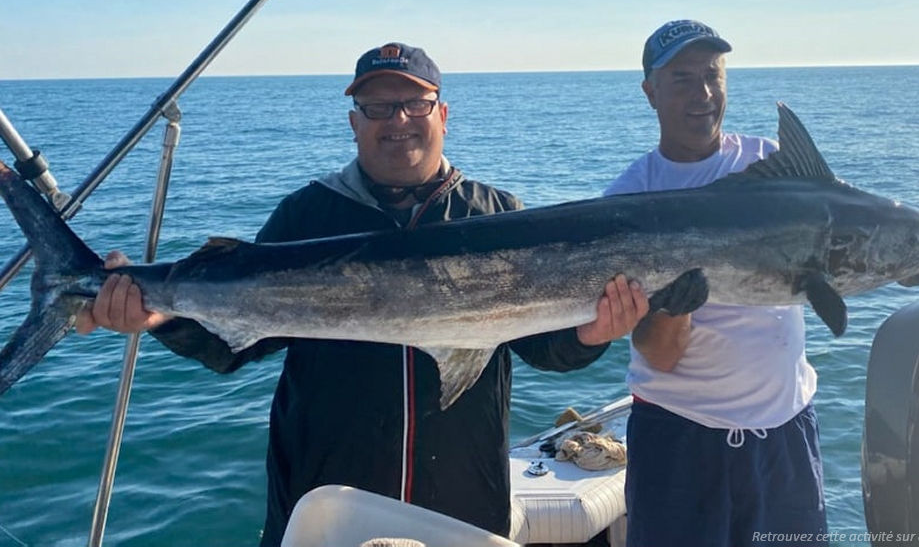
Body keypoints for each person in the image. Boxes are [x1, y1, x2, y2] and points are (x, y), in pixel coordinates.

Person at [77, 42, 650, 546]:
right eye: (378, 107)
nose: (398, 119)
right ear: (355, 122)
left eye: (415, 103)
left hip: (464, 495)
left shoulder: (496, 213)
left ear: (443, 114)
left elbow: (544, 348)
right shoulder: (307, 215)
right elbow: (234, 345)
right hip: (327, 495)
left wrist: (591, 334)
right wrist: (159, 318)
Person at [607, 21, 827, 547]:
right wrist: (676, 308)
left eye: (712, 75)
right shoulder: (629, 199)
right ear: (650, 92)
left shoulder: (772, 167)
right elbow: (659, 356)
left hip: (786, 438)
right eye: (682, 79)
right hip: (681, 441)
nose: (703, 93)